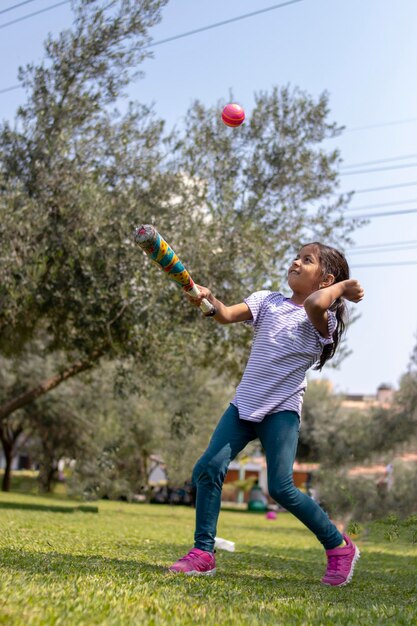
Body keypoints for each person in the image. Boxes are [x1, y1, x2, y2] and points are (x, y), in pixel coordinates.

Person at [169, 242, 364, 586]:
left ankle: (339, 547)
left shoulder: (324, 317)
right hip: (244, 405)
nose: (296, 262)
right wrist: (207, 298)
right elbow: (226, 314)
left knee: (281, 487)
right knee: (208, 468)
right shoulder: (267, 300)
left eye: (307, 260)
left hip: (281, 410)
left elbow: (318, 302)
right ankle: (203, 553)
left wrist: (343, 290)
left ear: (326, 279)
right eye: (297, 256)